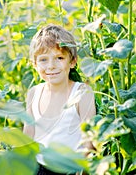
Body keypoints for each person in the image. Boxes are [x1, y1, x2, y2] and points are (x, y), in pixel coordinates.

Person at [23, 24, 96, 175]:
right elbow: (28, 135)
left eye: (59, 58)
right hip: (39, 167)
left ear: (73, 61)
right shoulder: (33, 93)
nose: (51, 66)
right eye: (43, 59)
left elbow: (89, 140)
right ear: (34, 64)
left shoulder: (82, 92)